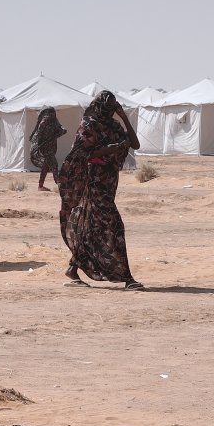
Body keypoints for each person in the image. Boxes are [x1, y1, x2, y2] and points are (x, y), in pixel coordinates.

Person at [57, 90, 143, 290]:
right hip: (92, 183)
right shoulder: (89, 125)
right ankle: (128, 277)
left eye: (114, 107)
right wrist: (109, 149)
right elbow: (79, 154)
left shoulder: (114, 125)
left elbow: (135, 144)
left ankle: (73, 267)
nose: (110, 111)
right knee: (114, 227)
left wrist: (124, 118)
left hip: (109, 183)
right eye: (109, 107)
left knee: (91, 229)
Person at [28, 106, 66, 192]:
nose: (52, 115)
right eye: (50, 113)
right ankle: (59, 186)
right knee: (54, 165)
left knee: (45, 167)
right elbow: (39, 135)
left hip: (52, 148)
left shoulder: (54, 121)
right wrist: (41, 144)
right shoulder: (44, 122)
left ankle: (40, 186)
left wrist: (61, 131)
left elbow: (61, 129)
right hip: (46, 148)